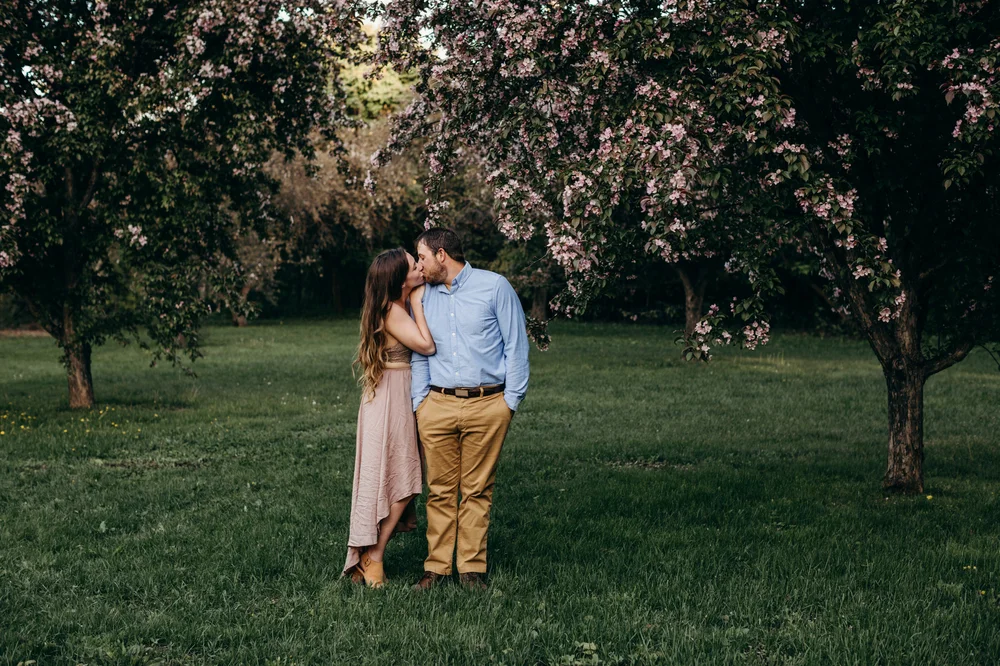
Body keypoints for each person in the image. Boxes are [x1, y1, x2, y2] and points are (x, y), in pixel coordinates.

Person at [410, 228, 530, 591]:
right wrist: (421, 404)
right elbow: (419, 352)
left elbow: (516, 345)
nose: (419, 265)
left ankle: (471, 570)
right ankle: (436, 568)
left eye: (423, 257)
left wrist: (510, 402)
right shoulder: (422, 297)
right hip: (437, 405)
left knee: (478, 490)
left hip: (489, 404)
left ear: (442, 255)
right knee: (440, 490)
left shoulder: (495, 287)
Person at [344, 248, 435, 588]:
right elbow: (426, 345)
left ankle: (370, 554)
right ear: (401, 279)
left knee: (402, 474)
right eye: (415, 266)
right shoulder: (394, 311)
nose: (421, 267)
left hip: (392, 395)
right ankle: (374, 555)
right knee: (407, 476)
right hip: (391, 398)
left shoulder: (395, 306)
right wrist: (419, 300)